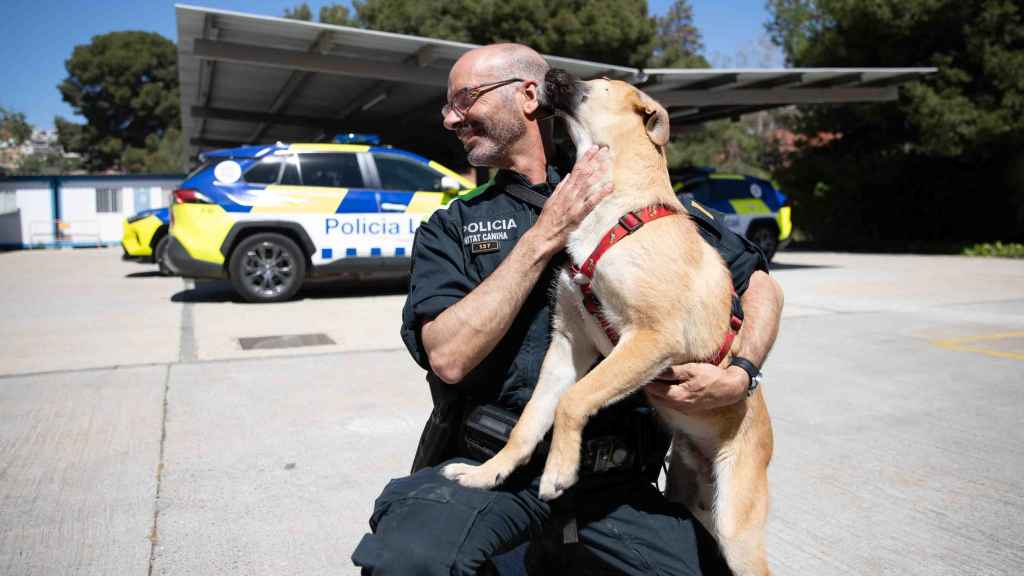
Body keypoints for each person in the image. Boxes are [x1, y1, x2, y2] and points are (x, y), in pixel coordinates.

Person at [351, 43, 784, 576]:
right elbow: (447, 357)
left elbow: (760, 283)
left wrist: (742, 373)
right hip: (505, 469)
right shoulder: (453, 226)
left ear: (529, 96)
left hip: (615, 482)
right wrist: (544, 235)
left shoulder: (631, 194)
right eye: (449, 104)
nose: (449, 117)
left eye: (465, 99)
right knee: (408, 561)